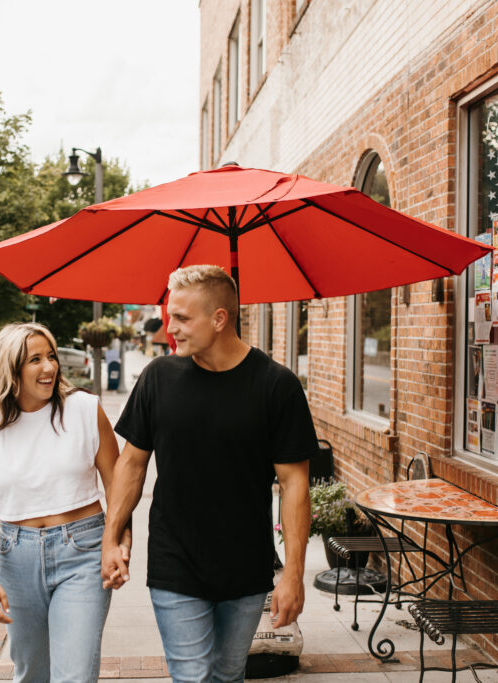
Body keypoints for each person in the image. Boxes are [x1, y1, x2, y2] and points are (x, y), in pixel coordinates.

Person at [101, 265, 317, 682]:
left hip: (246, 568)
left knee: (228, 673)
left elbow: (294, 486)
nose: (171, 328)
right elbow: (131, 464)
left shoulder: (276, 386)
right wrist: (113, 538)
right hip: (174, 562)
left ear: (220, 319)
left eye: (182, 318)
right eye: (169, 316)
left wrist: (293, 575)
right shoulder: (158, 378)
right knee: (193, 677)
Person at [0, 322, 130, 682]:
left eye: (51, 356)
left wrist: (118, 542)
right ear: (10, 370)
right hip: (16, 556)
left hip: (83, 552)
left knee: (75, 675)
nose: (50, 367)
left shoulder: (85, 410)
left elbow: (119, 485)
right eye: (35, 359)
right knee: (32, 674)